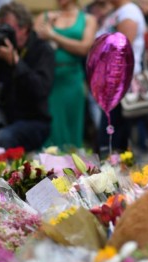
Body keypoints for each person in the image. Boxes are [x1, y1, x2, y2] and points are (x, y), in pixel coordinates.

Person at [0, 2, 54, 151]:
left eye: (9, 29)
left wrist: (15, 62)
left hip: (33, 121)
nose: (4, 34)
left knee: (3, 137)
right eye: (0, 28)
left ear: (25, 29)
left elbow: (40, 90)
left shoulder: (42, 50)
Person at [95, 0, 148, 161]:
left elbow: (120, 51)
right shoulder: (117, 12)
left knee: (113, 138)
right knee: (113, 138)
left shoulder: (129, 12)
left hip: (122, 83)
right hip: (115, 83)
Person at [34, 0, 98, 150]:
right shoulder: (44, 17)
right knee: (53, 125)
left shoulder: (88, 19)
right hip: (49, 77)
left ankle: (71, 167)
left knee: (72, 125)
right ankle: (48, 167)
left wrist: (53, 36)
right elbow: (33, 45)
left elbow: (84, 48)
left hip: (72, 77)